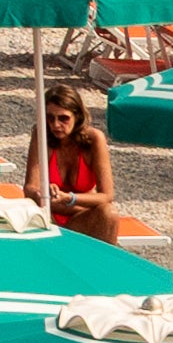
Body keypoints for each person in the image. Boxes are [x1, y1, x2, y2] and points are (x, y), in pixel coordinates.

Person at [33, 75, 120, 237]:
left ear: (77, 116)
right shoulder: (41, 134)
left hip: (78, 217)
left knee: (109, 214)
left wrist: (69, 198)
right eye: (50, 118)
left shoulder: (94, 140)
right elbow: (30, 190)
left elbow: (107, 195)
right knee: (107, 214)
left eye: (63, 118)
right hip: (49, 217)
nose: (56, 125)